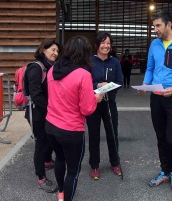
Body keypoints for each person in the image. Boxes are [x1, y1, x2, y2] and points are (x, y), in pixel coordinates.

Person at [137, 11, 172, 191]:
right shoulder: (154, 44)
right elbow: (150, 68)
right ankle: (165, 171)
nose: (155, 30)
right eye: (154, 26)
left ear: (169, 25)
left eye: (158, 26)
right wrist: (146, 83)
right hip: (157, 97)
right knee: (161, 137)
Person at [45, 36, 104, 201]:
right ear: (84, 54)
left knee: (59, 159)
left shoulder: (52, 69)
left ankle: (61, 193)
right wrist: (96, 98)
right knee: (72, 171)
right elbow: (87, 109)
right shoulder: (83, 75)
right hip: (71, 130)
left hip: (51, 125)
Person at [24, 38, 61, 193]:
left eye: (57, 51)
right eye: (52, 49)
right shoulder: (36, 68)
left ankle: (47, 161)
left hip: (48, 112)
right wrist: (51, 109)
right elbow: (36, 95)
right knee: (42, 143)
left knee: (49, 140)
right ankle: (41, 178)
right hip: (38, 113)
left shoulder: (50, 67)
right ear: (43, 50)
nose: (55, 53)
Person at [86, 32, 123, 180]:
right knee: (94, 135)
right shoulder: (89, 62)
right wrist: (97, 85)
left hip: (110, 103)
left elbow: (120, 81)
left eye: (108, 43)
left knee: (112, 134)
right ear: (96, 45)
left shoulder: (115, 62)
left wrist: (108, 88)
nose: (106, 46)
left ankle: (115, 162)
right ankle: (94, 165)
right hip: (93, 104)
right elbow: (85, 82)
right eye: (103, 43)